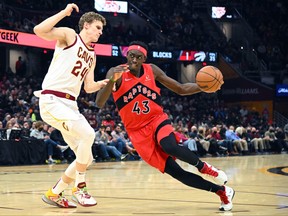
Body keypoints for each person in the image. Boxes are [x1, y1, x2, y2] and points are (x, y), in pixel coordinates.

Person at [96, 41, 235, 211]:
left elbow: (181, 88)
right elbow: (99, 102)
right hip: (137, 132)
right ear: (127, 55)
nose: (134, 59)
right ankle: (222, 192)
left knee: (168, 145)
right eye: (131, 55)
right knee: (178, 173)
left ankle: (207, 169)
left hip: (156, 119)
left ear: (144, 59)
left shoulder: (152, 70)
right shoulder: (115, 72)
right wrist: (112, 81)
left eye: (138, 57)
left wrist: (204, 87)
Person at [33, 3, 109, 208]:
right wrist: (64, 13)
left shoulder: (92, 55)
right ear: (85, 25)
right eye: (98, 28)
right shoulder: (69, 36)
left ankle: (55, 192)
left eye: (102, 29)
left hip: (70, 104)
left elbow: (89, 86)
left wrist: (105, 83)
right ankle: (79, 187)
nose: (100, 32)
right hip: (52, 100)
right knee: (89, 135)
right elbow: (38, 30)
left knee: (86, 156)